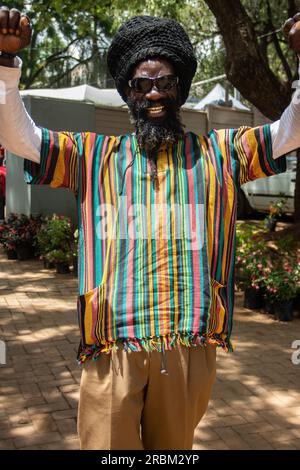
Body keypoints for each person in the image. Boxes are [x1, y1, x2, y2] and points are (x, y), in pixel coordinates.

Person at [0, 6, 300, 450]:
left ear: (180, 88)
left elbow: (290, 132)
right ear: (128, 92)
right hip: (111, 345)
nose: (155, 93)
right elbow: (19, 138)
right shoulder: (93, 155)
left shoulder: (221, 152)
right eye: (143, 84)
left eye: (166, 82)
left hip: (187, 345)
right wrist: (6, 67)